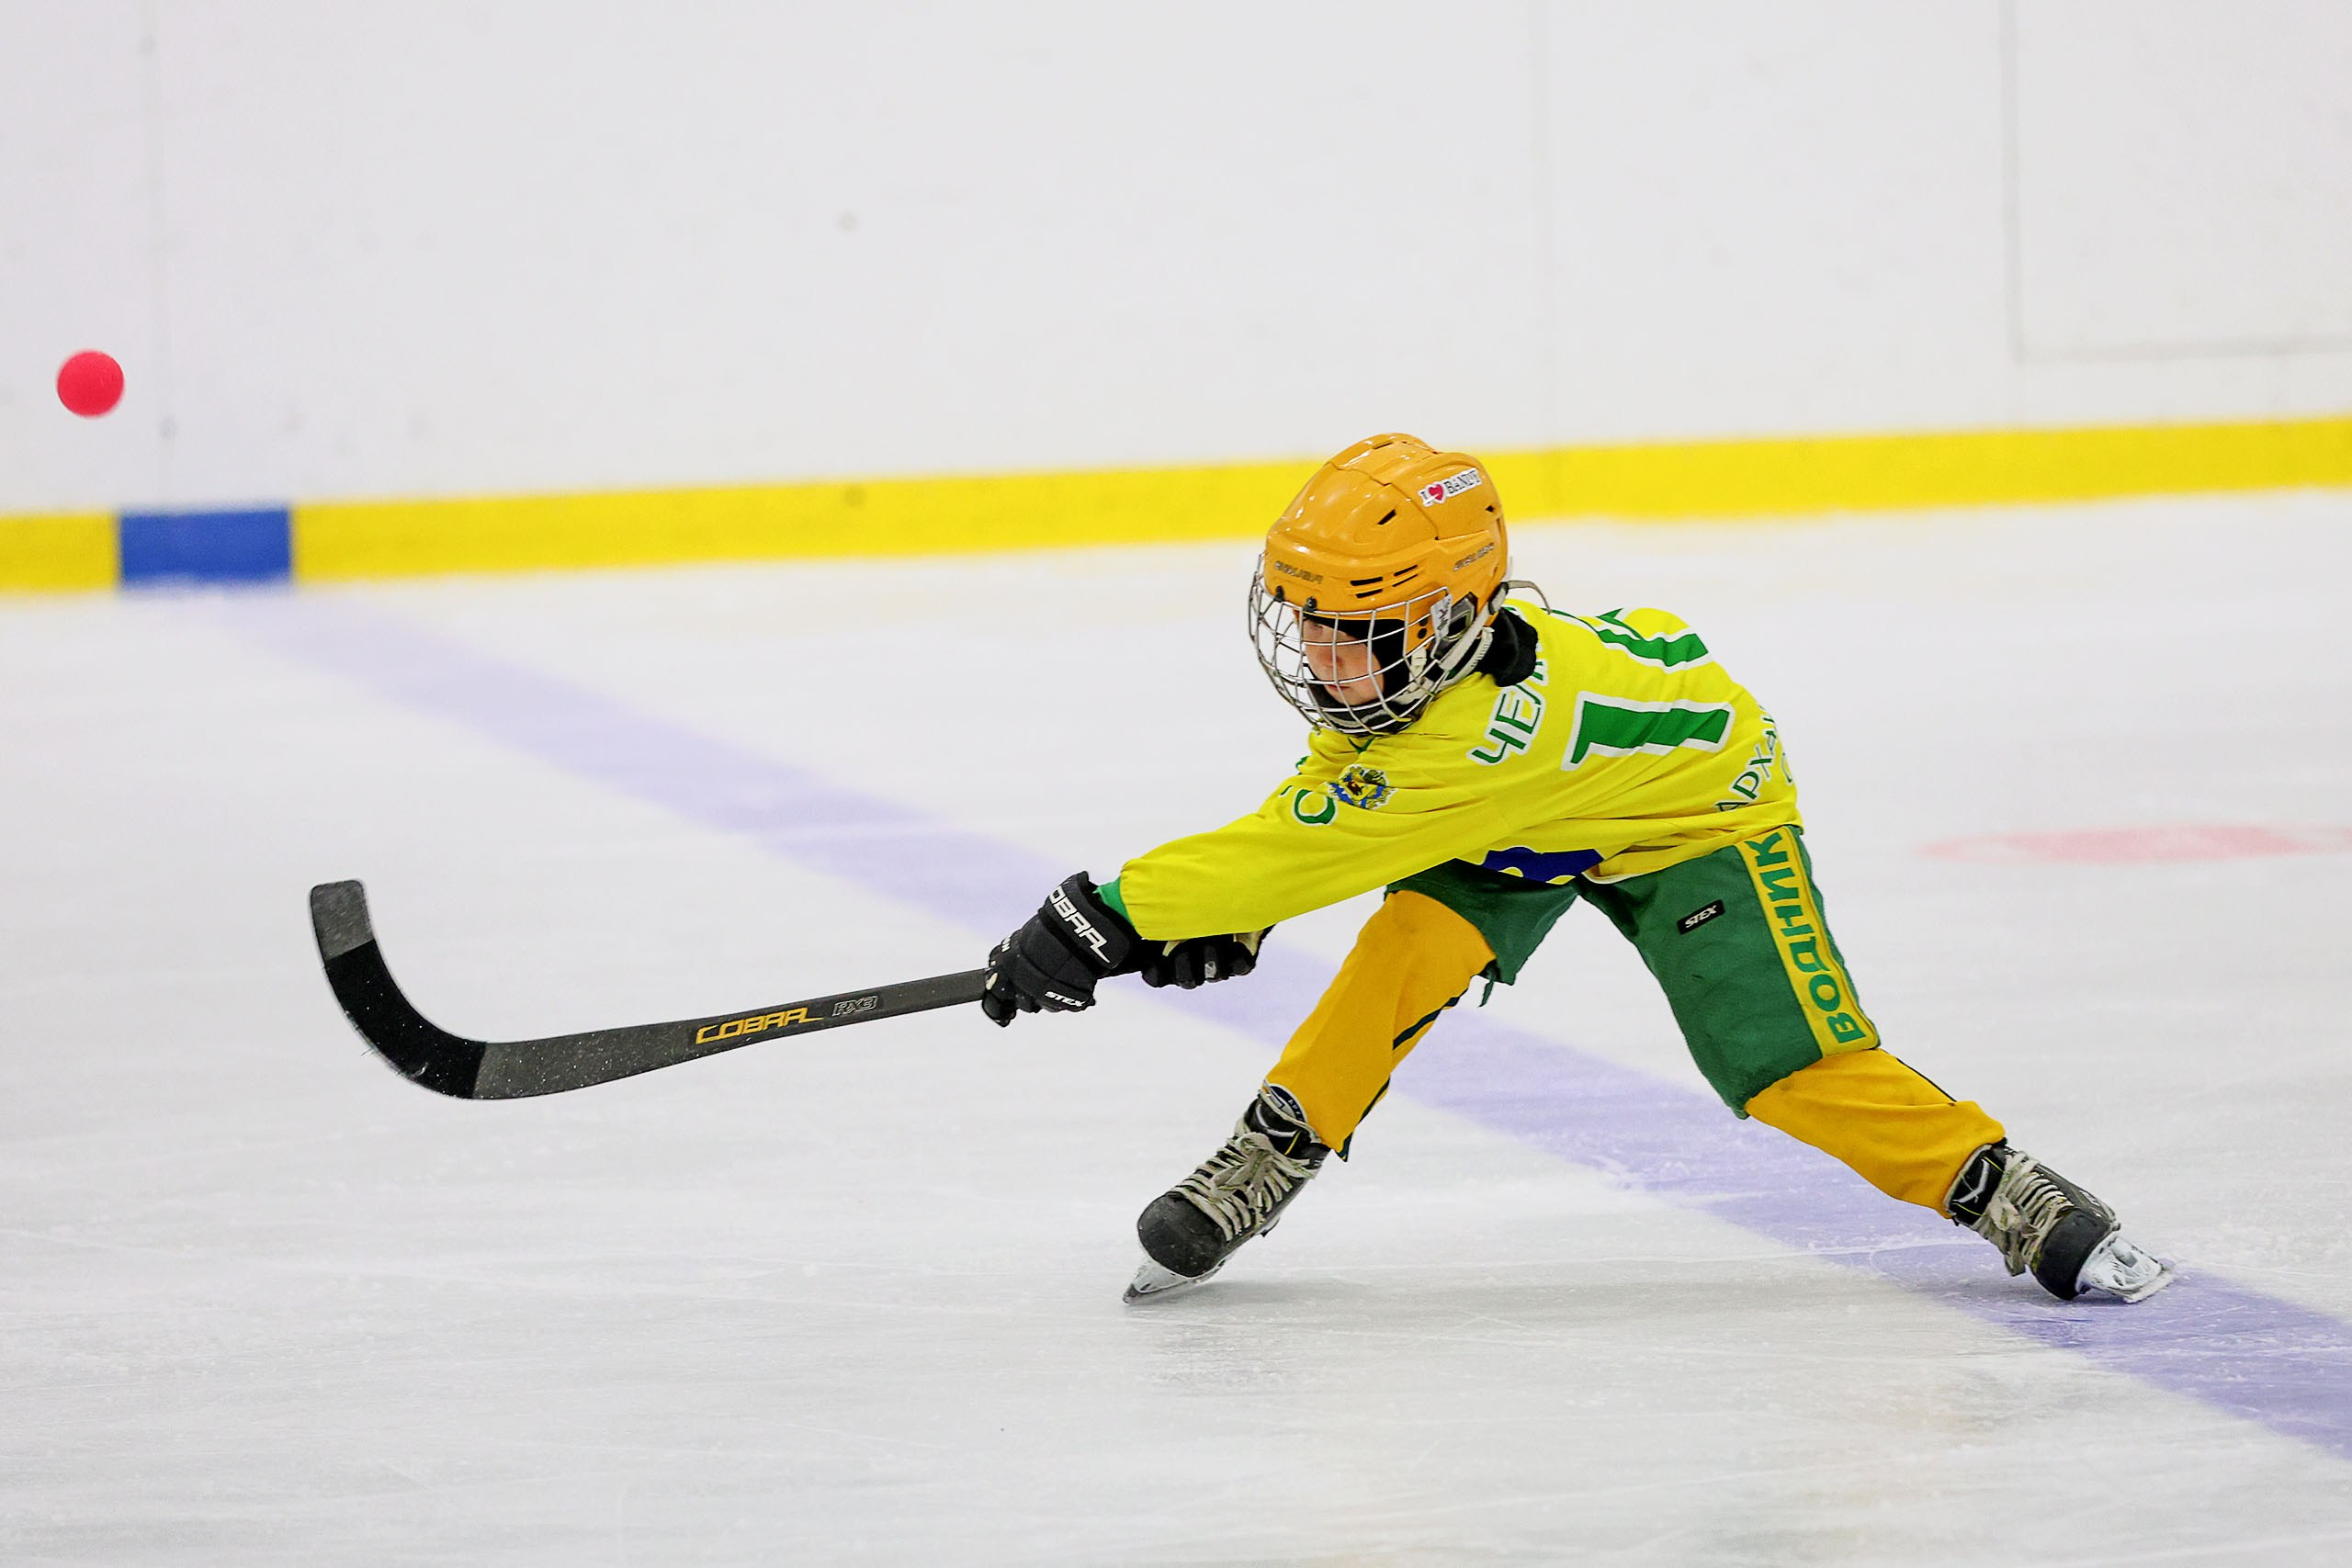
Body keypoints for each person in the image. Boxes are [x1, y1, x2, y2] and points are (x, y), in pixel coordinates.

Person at [981, 433, 2172, 1306]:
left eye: (1362, 633)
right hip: (1543, 811)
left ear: (1448, 616)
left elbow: (1310, 842)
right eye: (1315, 625)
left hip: (1700, 815)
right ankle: (1276, 1148)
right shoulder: (1424, 686)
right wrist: (1234, 915)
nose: (1329, 660)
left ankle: (2005, 1187)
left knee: (1786, 1061)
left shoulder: (1462, 745)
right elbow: (1316, 815)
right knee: (1405, 950)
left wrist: (1104, 918)